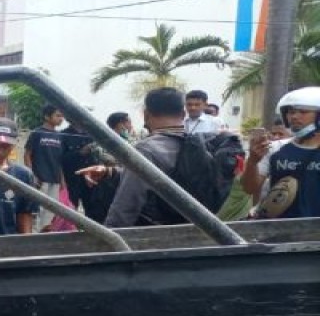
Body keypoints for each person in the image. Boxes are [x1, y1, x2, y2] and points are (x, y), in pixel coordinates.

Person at [82, 87, 210, 227]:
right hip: (199, 227)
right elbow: (170, 177)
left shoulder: (146, 149)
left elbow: (127, 205)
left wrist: (110, 239)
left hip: (159, 233)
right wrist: (110, 171)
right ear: (183, 114)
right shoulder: (198, 144)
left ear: (146, 114)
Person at [242, 87, 320, 219]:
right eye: (290, 112)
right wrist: (252, 162)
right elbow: (249, 188)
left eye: (303, 112)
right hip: (279, 228)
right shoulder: (274, 148)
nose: (294, 116)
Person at [23, 104, 65, 231]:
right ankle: (34, 234)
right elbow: (27, 155)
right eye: (58, 115)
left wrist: (63, 180)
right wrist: (32, 175)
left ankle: (44, 233)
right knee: (37, 208)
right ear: (47, 116)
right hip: (40, 178)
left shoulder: (60, 136)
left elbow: (60, 160)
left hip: (55, 178)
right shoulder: (37, 133)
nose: (61, 119)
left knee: (51, 209)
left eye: (62, 116)